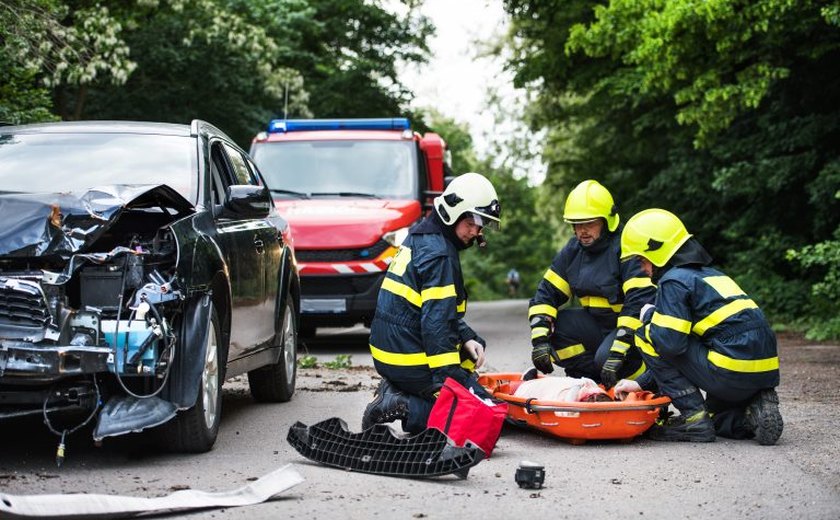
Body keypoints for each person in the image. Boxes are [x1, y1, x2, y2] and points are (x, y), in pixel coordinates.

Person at [615, 208, 783, 444]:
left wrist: (650, 316)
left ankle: (694, 420)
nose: (643, 268)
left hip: (729, 368)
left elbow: (669, 345)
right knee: (718, 419)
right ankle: (752, 412)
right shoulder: (711, 276)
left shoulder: (673, 281)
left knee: (647, 332)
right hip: (763, 370)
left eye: (643, 260)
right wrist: (639, 383)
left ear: (658, 252)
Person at [361, 172, 502, 433]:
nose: (476, 231)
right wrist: (450, 382)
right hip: (406, 355)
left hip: (393, 349)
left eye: (482, 225)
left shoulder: (424, 235)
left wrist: (467, 337)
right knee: (482, 419)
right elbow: (435, 325)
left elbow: (435, 311)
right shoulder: (440, 255)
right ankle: (401, 402)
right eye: (473, 221)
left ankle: (401, 389)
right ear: (453, 212)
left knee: (472, 350)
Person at [528, 180, 656, 387]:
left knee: (607, 358)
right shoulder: (572, 251)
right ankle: (593, 382)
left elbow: (638, 303)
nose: (582, 231)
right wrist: (540, 340)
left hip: (632, 331)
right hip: (597, 325)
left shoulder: (627, 247)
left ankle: (648, 382)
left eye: (590, 223)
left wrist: (619, 349)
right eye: (577, 224)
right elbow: (546, 294)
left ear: (607, 222)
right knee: (556, 330)